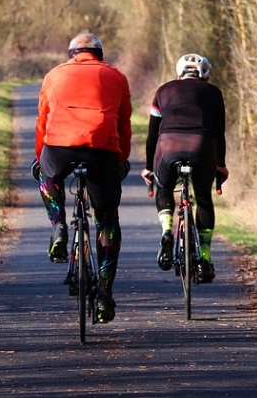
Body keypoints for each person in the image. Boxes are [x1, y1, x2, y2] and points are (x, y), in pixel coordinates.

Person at [32, 32, 132, 323]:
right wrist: (121, 158)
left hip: (59, 146)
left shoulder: (54, 75)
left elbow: (42, 119)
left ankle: (59, 226)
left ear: (71, 54)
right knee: (107, 219)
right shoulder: (116, 77)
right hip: (101, 150)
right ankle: (103, 293)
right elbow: (123, 123)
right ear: (98, 54)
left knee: (48, 178)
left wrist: (41, 158)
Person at [140, 53, 228, 283]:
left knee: (164, 187)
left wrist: (149, 167)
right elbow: (219, 134)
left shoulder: (163, 91)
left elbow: (152, 136)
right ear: (205, 75)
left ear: (179, 72)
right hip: (202, 147)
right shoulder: (214, 93)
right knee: (203, 199)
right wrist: (221, 165)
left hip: (168, 146)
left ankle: (167, 231)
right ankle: (206, 258)